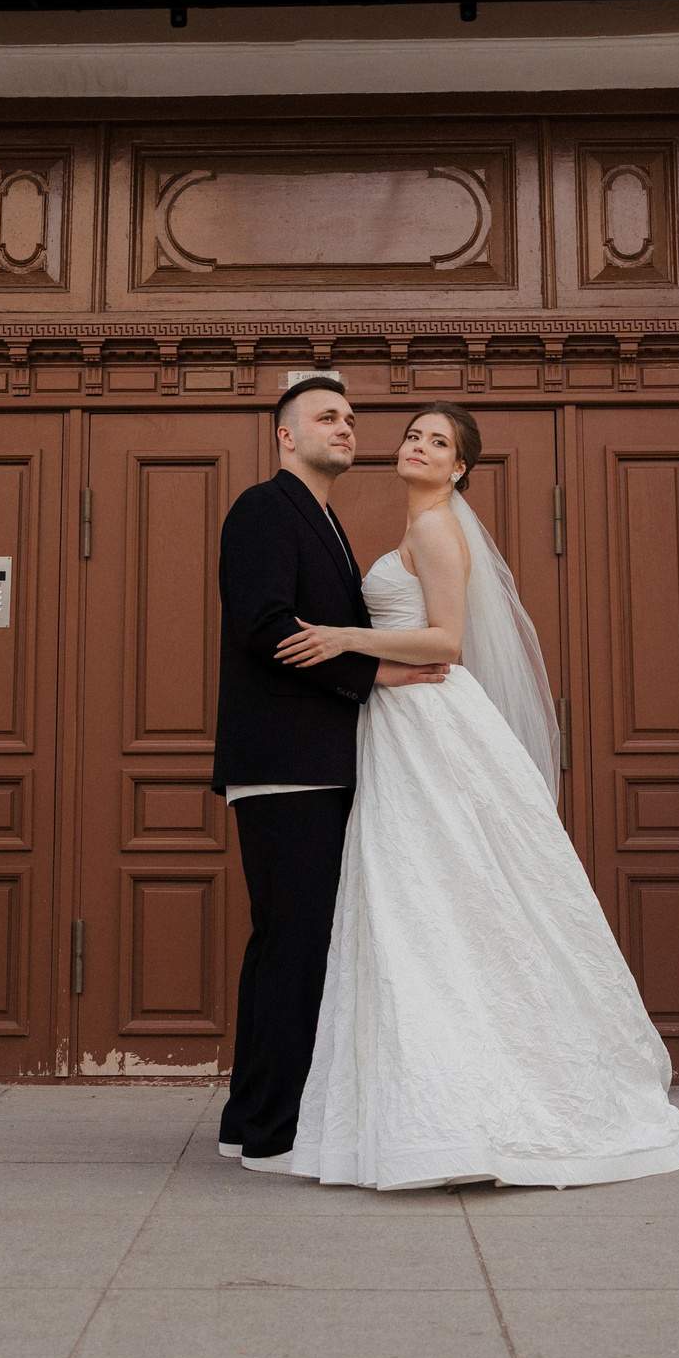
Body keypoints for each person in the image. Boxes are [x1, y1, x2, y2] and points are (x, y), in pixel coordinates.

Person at [266, 401, 679, 1189]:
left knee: (435, 894)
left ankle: (473, 1104)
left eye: (439, 443)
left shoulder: (436, 528)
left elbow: (445, 640)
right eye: (413, 435)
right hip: (402, 724)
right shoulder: (419, 524)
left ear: (460, 468)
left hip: (429, 721)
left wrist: (345, 637)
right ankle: (427, 1100)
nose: (419, 447)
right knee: (428, 900)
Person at [212, 376, 449, 1168]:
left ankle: (250, 1122)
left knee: (285, 943)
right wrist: (370, 675)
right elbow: (265, 625)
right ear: (286, 436)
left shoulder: (327, 521)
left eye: (350, 418)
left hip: (319, 761)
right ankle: (272, 1138)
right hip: (284, 764)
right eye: (326, 418)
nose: (346, 428)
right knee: (296, 946)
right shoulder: (261, 509)